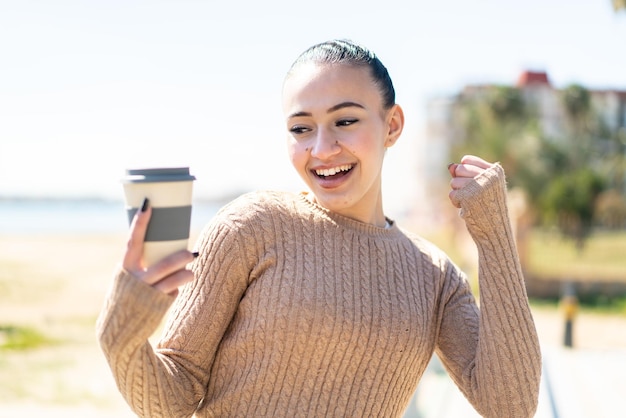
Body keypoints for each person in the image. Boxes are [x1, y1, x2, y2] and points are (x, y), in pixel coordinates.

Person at [97, 39, 542, 417]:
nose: (322, 148)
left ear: (392, 125)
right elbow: (175, 396)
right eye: (301, 128)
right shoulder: (251, 226)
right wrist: (123, 339)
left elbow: (512, 405)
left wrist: (495, 236)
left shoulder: (435, 277)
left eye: (345, 121)